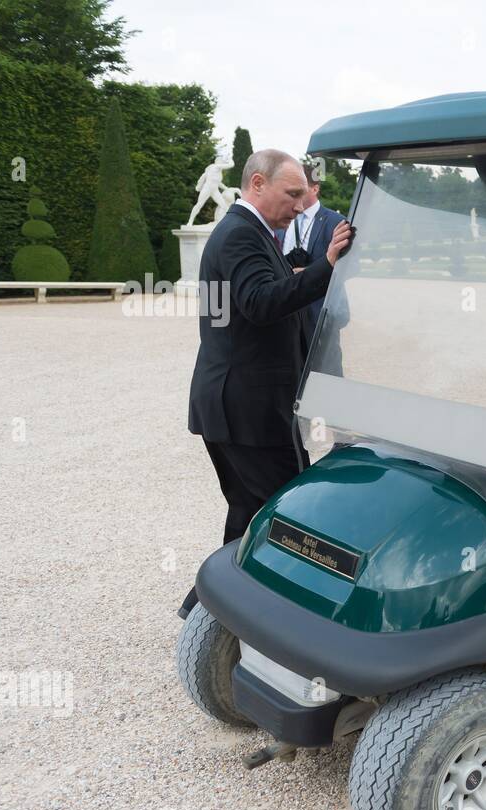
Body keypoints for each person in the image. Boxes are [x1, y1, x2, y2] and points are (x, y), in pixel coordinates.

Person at [178, 149, 352, 619]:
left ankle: (207, 611)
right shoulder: (239, 234)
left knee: (248, 513)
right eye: (292, 193)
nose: (300, 205)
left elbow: (260, 292)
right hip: (249, 411)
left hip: (231, 406)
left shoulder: (250, 232)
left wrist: (307, 266)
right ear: (257, 184)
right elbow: (259, 302)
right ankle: (281, 620)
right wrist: (327, 267)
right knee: (290, 513)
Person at [276, 163, 347, 356]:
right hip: (286, 307)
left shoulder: (336, 221)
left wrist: (308, 273)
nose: (293, 195)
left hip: (320, 310)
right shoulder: (281, 219)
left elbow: (351, 266)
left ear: (315, 188)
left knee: (326, 370)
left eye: (300, 189)